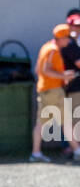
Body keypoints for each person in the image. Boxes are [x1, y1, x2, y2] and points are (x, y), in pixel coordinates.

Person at [29, 23, 73, 163]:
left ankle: (36, 153)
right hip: (53, 91)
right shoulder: (53, 49)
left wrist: (61, 77)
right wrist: (64, 77)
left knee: (41, 123)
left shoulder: (46, 47)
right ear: (60, 38)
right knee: (66, 121)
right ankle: (77, 150)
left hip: (45, 90)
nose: (68, 41)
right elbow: (45, 70)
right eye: (67, 38)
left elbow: (38, 70)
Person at [59, 11, 80, 161]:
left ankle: (73, 149)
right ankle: (75, 149)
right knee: (74, 121)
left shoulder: (69, 43)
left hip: (71, 88)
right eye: (74, 26)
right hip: (74, 88)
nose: (77, 28)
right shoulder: (70, 45)